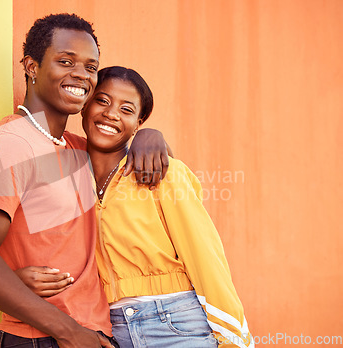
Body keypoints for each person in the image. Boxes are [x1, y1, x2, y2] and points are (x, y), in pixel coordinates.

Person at [0, 14, 170, 348]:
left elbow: (126, 150)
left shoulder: (76, 147)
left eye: (90, 67)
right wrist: (69, 332)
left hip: (91, 333)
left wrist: (150, 136)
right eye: (66, 61)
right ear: (32, 66)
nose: (81, 75)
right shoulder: (10, 144)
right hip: (44, 338)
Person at [18, 66, 254, 348]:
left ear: (138, 122)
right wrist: (14, 278)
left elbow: (207, 258)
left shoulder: (164, 175)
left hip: (177, 325)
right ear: (84, 106)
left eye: (127, 110)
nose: (111, 114)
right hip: (110, 330)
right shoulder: (67, 175)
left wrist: (234, 339)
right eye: (102, 101)